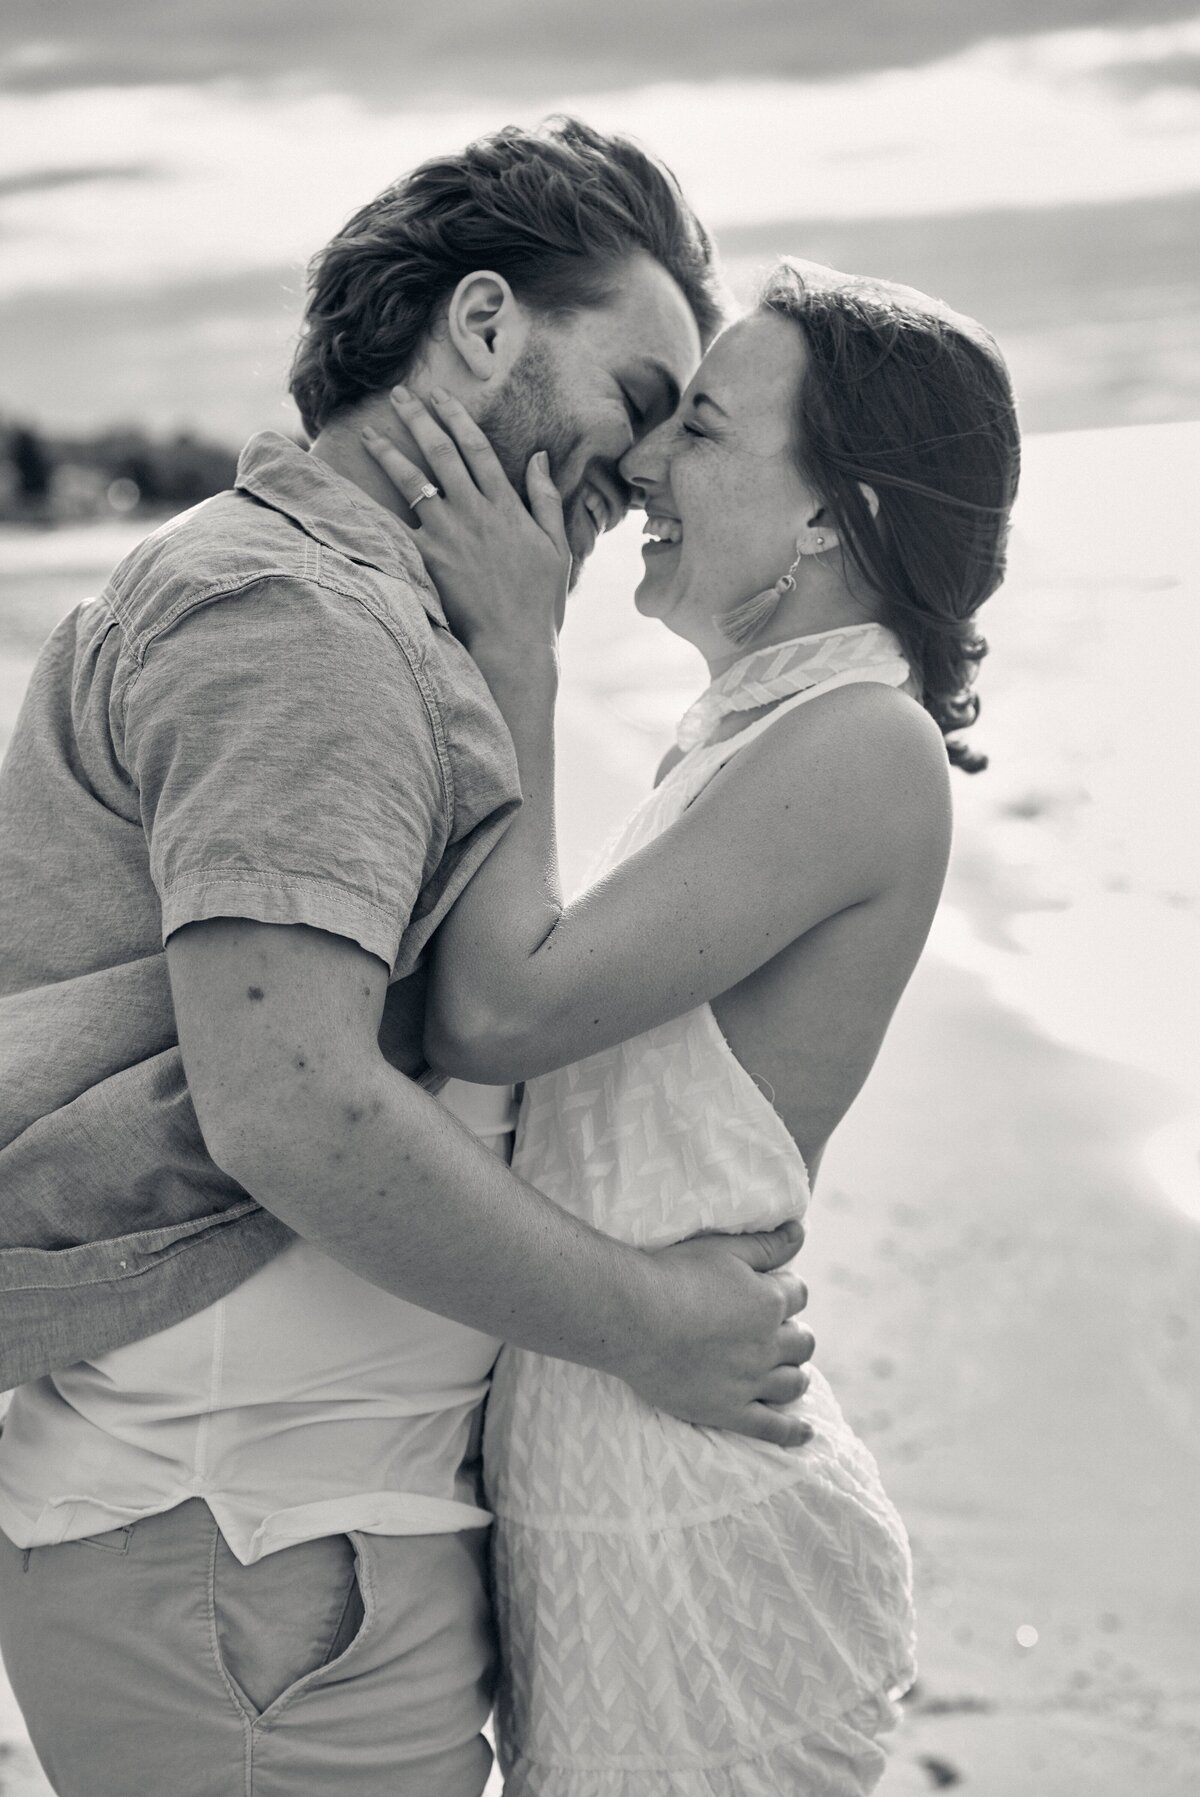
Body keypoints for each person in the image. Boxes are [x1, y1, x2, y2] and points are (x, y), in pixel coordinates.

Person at [0, 121, 815, 1797]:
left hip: (286, 1559)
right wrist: (655, 1323)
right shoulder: (300, 622)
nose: (649, 470)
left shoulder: (352, 613)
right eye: (642, 397)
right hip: (248, 1559)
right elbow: (292, 1107)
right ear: (486, 324)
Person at [360, 256, 1021, 1793]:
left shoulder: (865, 743)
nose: (644, 459)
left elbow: (499, 1006)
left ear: (836, 513)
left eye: (704, 427)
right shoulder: (755, 731)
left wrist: (519, 648)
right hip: (620, 1495)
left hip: (696, 1527)